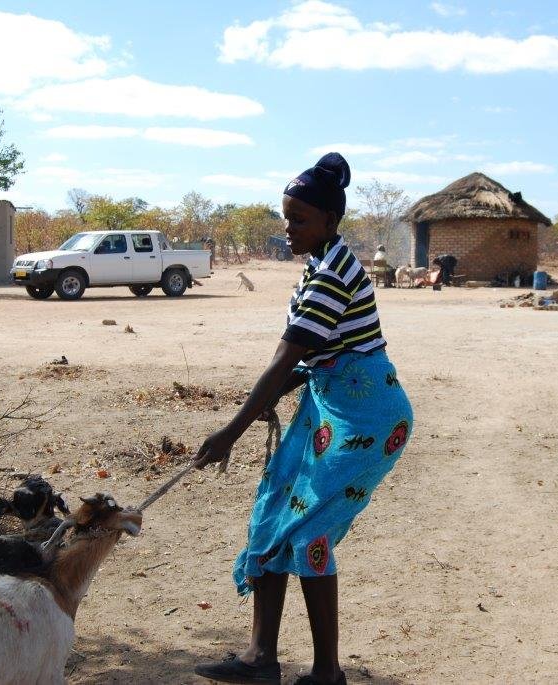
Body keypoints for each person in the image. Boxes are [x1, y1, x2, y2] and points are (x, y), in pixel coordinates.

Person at [193, 153, 413, 685]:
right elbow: (311, 358)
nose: (288, 229)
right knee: (274, 508)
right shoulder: (319, 266)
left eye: (299, 220)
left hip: (366, 418)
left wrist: (231, 431)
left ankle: (326, 674)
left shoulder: (331, 276)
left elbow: (285, 360)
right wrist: (268, 400)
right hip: (330, 404)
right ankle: (260, 658)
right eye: (286, 217)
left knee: (308, 529)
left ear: (329, 223)